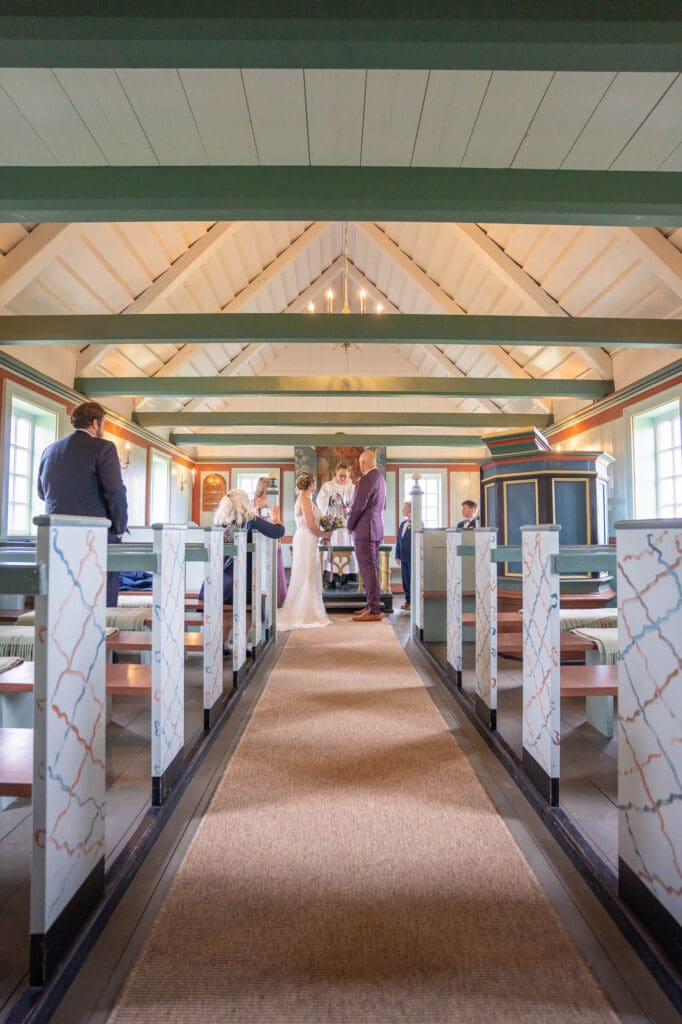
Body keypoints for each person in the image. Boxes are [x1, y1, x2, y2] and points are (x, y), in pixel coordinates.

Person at [37, 400, 128, 607]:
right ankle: (104, 630)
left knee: (65, 596)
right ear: (96, 423)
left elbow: (42, 493)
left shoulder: (50, 450)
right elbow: (115, 492)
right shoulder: (103, 447)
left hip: (56, 535)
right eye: (103, 424)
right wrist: (119, 528)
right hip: (94, 535)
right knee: (101, 595)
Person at [277, 472, 332, 631]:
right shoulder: (305, 500)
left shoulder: (306, 500)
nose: (315, 486)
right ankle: (305, 613)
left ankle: (307, 608)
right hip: (306, 539)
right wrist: (324, 534)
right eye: (314, 483)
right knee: (307, 573)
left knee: (309, 573)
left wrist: (324, 530)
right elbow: (310, 524)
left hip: (308, 539)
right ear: (310, 485)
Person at [347, 450, 386, 623]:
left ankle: (374, 610)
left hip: (364, 530)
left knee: (368, 571)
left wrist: (349, 525)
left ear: (363, 462)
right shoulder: (380, 478)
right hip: (375, 529)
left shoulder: (367, 479)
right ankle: (371, 605)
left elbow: (358, 507)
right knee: (372, 569)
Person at [315, 460, 357, 589]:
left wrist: (349, 510)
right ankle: (330, 579)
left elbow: (358, 505)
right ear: (336, 473)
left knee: (346, 548)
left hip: (346, 525)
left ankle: (346, 579)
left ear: (349, 475)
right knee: (331, 550)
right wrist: (330, 499)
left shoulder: (353, 488)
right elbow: (319, 501)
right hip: (331, 523)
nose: (343, 478)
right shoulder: (328, 486)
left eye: (345, 476)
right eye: (340, 475)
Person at [252, 476, 287, 608]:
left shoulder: (273, 502)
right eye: (269, 489)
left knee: (276, 567)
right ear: (263, 488)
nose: (271, 492)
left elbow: (277, 521)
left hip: (272, 535)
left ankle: (277, 599)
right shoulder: (253, 502)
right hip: (259, 538)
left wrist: (279, 538)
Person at [394, 500, 412, 611]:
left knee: (412, 579)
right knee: (405, 579)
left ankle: (414, 602)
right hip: (403, 556)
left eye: (404, 508)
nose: (402, 510)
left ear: (411, 509)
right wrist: (397, 555)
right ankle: (408, 600)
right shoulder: (403, 524)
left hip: (412, 557)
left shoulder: (418, 523)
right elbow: (399, 540)